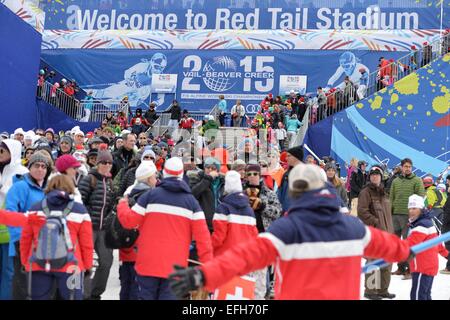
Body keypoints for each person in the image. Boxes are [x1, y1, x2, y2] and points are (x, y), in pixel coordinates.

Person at [168, 164, 413, 300]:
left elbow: (243, 257)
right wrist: (406, 251)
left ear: (295, 194)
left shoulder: (286, 230)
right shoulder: (353, 228)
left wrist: (204, 275)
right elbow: (389, 246)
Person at [116, 157, 213, 300]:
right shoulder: (192, 203)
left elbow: (129, 221)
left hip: (147, 264)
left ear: (164, 173)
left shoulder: (150, 196)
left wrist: (122, 205)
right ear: (181, 175)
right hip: (175, 268)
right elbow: (204, 239)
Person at [0, 175, 93, 300]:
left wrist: (26, 263)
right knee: (73, 297)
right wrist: (87, 266)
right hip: (72, 266)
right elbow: (86, 243)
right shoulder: (80, 211)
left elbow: (25, 239)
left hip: (39, 264)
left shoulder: (35, 209)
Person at [5, 151, 52, 300]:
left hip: (46, 247)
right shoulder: (19, 187)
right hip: (23, 247)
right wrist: (19, 241)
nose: (40, 169)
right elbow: (10, 216)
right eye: (36, 165)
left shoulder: (49, 190)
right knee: (22, 289)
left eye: (43, 166)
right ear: (29, 167)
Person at [78, 148, 116, 300]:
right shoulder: (90, 179)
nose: (107, 165)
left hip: (104, 229)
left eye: (109, 163)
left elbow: (111, 204)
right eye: (104, 162)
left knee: (106, 262)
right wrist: (89, 215)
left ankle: (95, 292)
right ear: (98, 163)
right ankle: (85, 293)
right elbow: (79, 200)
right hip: (89, 227)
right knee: (86, 262)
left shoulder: (110, 182)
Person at [120, 160, 158, 300]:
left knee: (126, 283)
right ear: (148, 178)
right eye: (155, 176)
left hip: (126, 246)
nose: (157, 179)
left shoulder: (129, 193)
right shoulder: (150, 196)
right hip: (141, 248)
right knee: (138, 287)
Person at [358, 165, 395, 300]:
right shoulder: (365, 192)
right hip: (374, 234)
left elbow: (388, 214)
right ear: (369, 177)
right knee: (373, 262)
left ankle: (382, 290)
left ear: (381, 176)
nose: (375, 176)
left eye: (377, 174)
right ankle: (370, 291)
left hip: (387, 234)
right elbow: (362, 212)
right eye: (372, 174)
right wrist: (376, 223)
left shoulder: (384, 193)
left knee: (387, 262)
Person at [405, 194, 448, 300]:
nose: (411, 211)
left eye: (414, 208)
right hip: (429, 267)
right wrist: (447, 255)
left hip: (421, 267)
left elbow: (408, 245)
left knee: (418, 296)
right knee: (425, 294)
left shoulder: (421, 226)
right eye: (410, 208)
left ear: (421, 209)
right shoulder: (429, 224)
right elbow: (437, 244)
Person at [0, 139, 28, 299]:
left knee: (9, 272)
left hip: (12, 233)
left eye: (3, 149)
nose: (0, 152)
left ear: (13, 151)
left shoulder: (22, 173)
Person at [390, 158, 425, 278]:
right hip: (395, 216)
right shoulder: (396, 181)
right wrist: (390, 212)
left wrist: (415, 216)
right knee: (397, 244)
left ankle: (410, 270)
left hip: (408, 217)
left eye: (410, 166)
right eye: (406, 166)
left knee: (408, 244)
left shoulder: (417, 180)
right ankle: (400, 268)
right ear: (402, 167)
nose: (408, 168)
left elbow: (420, 197)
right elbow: (391, 197)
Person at [187, 157, 225, 233]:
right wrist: (208, 178)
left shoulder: (223, 182)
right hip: (203, 224)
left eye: (213, 168)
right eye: (208, 167)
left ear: (217, 170)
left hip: (219, 224)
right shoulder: (197, 178)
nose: (210, 170)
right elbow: (193, 194)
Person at [277, 146, 303, 213]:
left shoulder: (307, 173)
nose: (286, 158)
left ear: (296, 157)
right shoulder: (286, 173)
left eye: (289, 156)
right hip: (285, 213)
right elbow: (280, 193)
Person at [441, 175, 450, 274]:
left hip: (448, 223)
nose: (447, 184)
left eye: (448, 182)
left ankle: (449, 267)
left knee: (448, 245)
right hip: (447, 222)